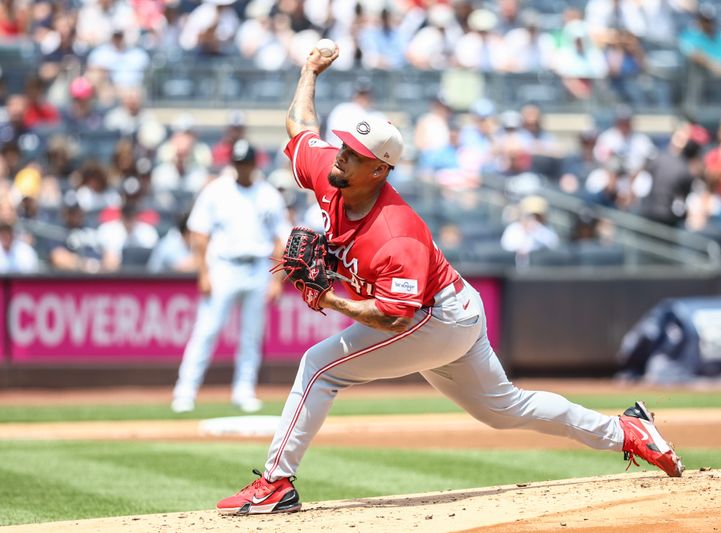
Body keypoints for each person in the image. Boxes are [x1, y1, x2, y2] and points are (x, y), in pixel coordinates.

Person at [215, 44, 685, 516]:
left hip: (436, 317)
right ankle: (628, 430)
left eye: (355, 155)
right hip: (455, 308)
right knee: (505, 410)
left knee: (320, 366)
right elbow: (299, 127)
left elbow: (393, 318)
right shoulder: (330, 171)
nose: (340, 156)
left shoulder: (396, 234)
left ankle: (277, 483)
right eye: (344, 147)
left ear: (379, 169)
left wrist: (329, 299)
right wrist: (309, 70)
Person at [171, 139, 289, 414]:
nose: (242, 168)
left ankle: (244, 390)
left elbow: (281, 240)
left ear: (254, 164)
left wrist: (276, 280)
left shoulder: (268, 194)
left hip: (258, 266)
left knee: (251, 334)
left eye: (246, 163)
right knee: (207, 330)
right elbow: (199, 235)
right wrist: (203, 273)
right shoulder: (216, 191)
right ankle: (185, 390)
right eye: (238, 163)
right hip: (223, 266)